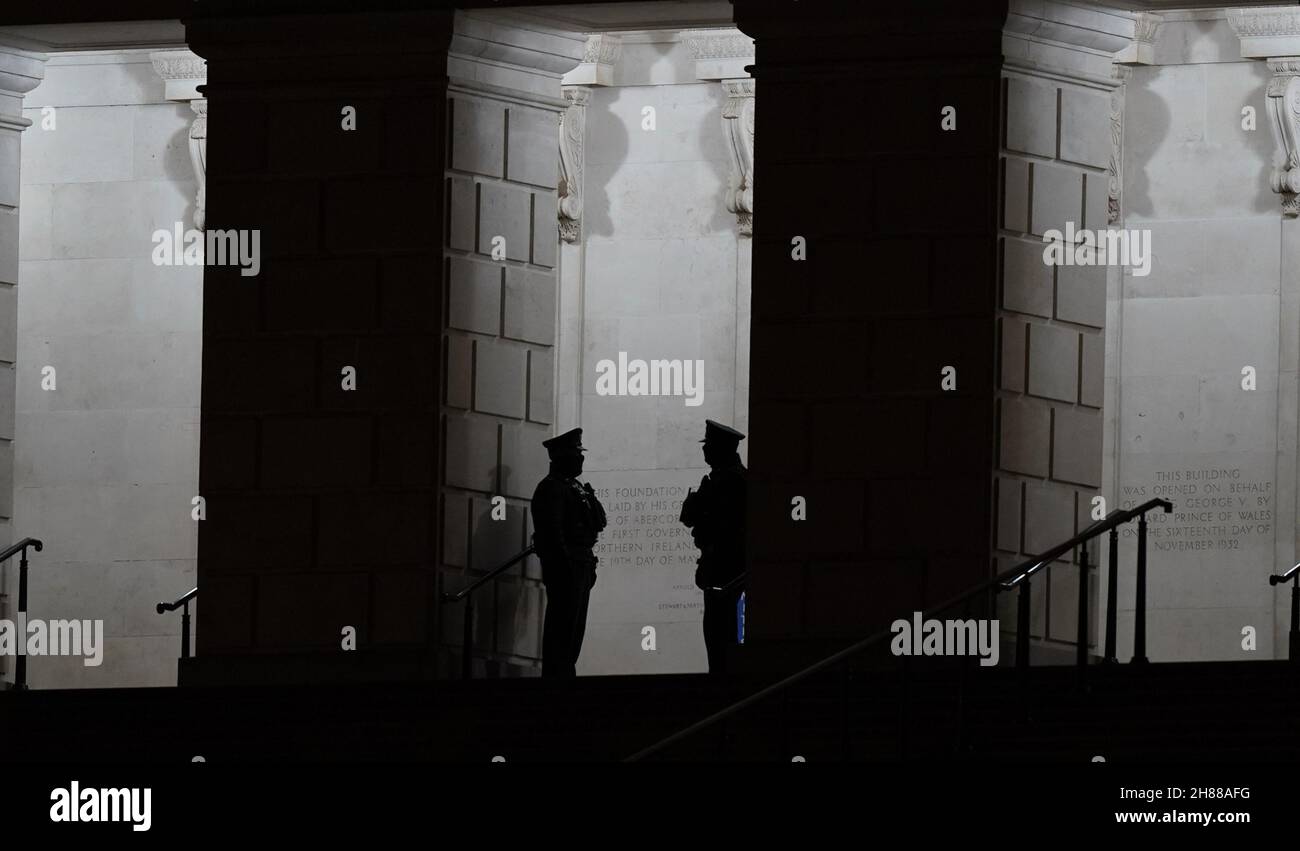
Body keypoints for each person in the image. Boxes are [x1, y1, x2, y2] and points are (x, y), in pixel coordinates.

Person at [531, 428, 606, 678]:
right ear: (560, 456)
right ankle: (557, 677)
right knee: (562, 628)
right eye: (576, 453)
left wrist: (591, 496)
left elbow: (599, 521)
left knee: (575, 628)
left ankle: (565, 673)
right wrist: (564, 567)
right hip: (566, 566)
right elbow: (552, 532)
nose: (580, 458)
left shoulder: (575, 487)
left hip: (581, 564)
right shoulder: (551, 488)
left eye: (580, 453)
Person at [680, 420, 747, 674]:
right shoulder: (722, 479)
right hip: (720, 563)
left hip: (726, 565)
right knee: (717, 627)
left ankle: (723, 677)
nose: (705, 451)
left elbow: (711, 521)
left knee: (721, 629)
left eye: (709, 446)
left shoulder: (730, 481)